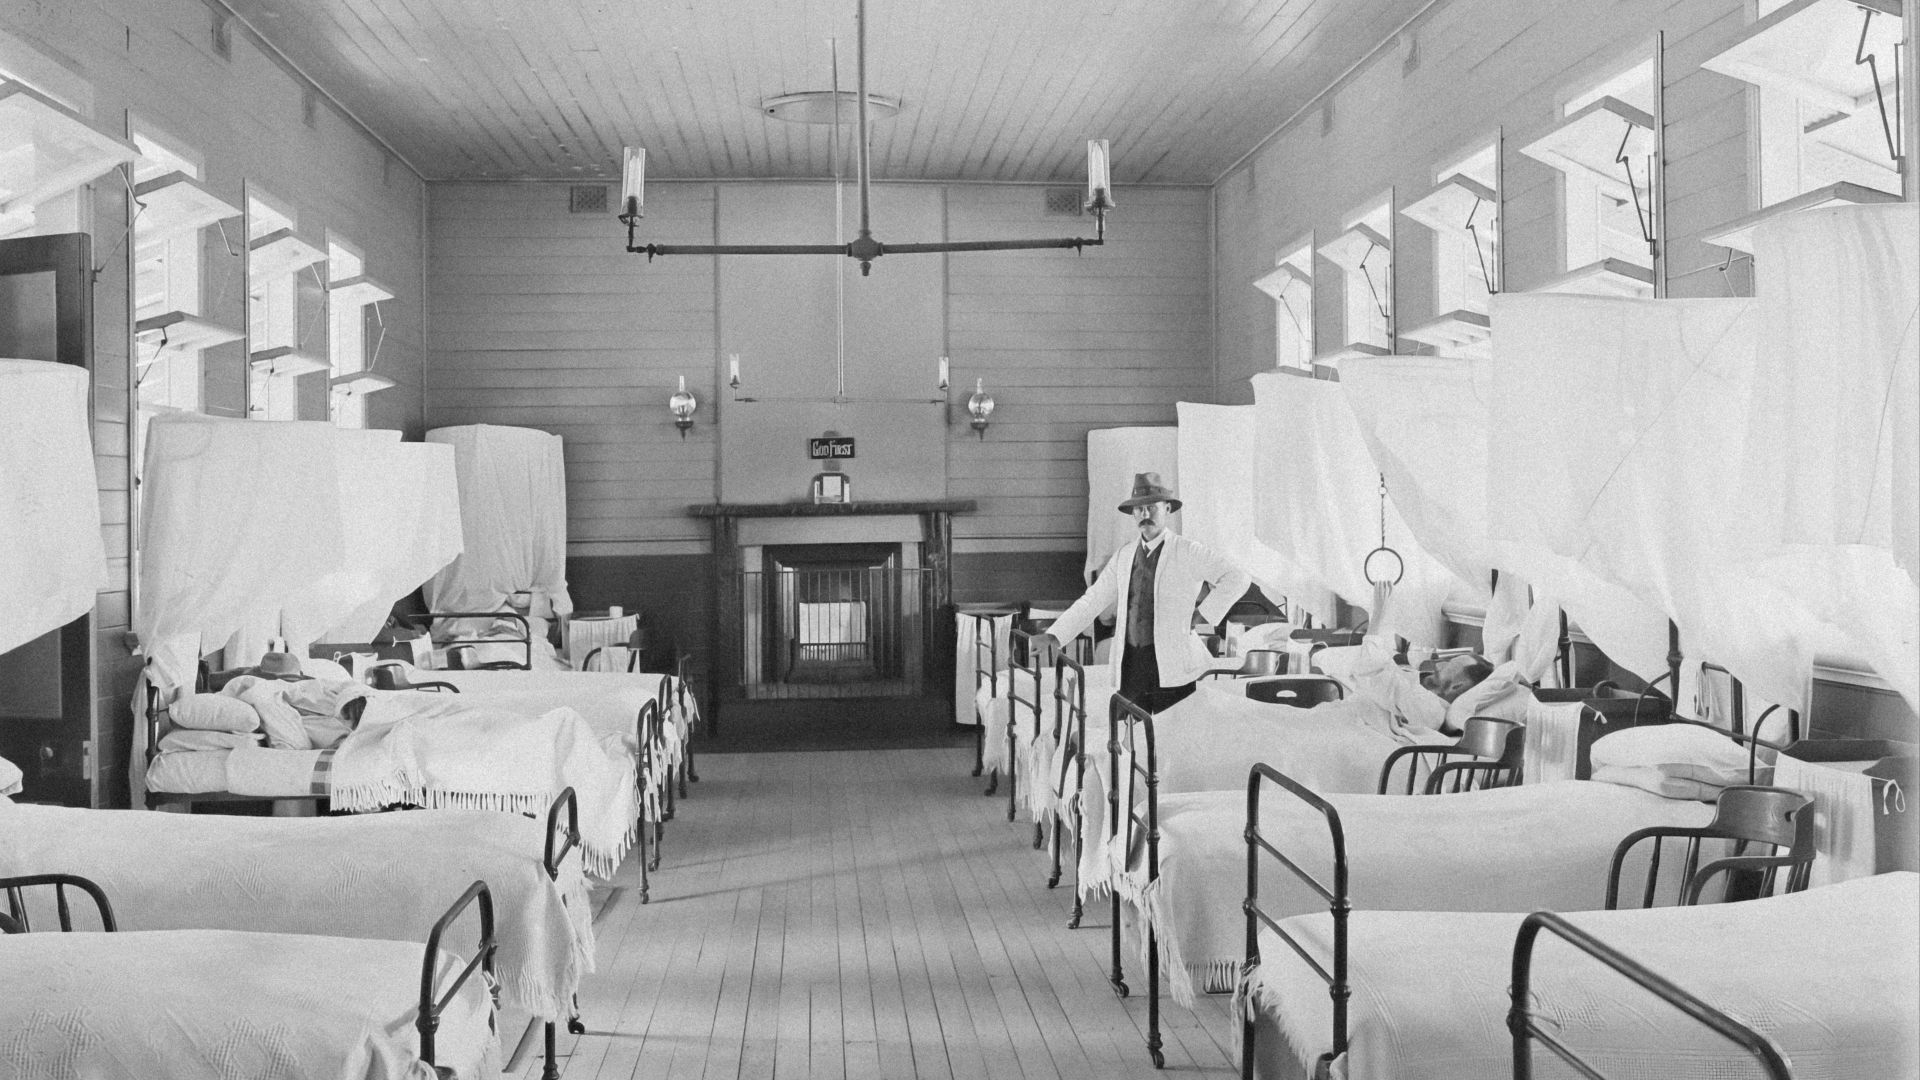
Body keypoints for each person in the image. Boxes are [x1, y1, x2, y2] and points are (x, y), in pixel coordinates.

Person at [1036, 472, 1251, 712]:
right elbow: (1093, 600)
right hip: (1132, 666)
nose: (1145, 514)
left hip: (1173, 667)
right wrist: (1054, 635)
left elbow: (1238, 577)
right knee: (1132, 741)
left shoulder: (1188, 551)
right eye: (1139, 509)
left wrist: (1204, 614)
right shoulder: (1124, 556)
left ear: (1167, 508)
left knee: (1171, 738)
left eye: (1151, 507)